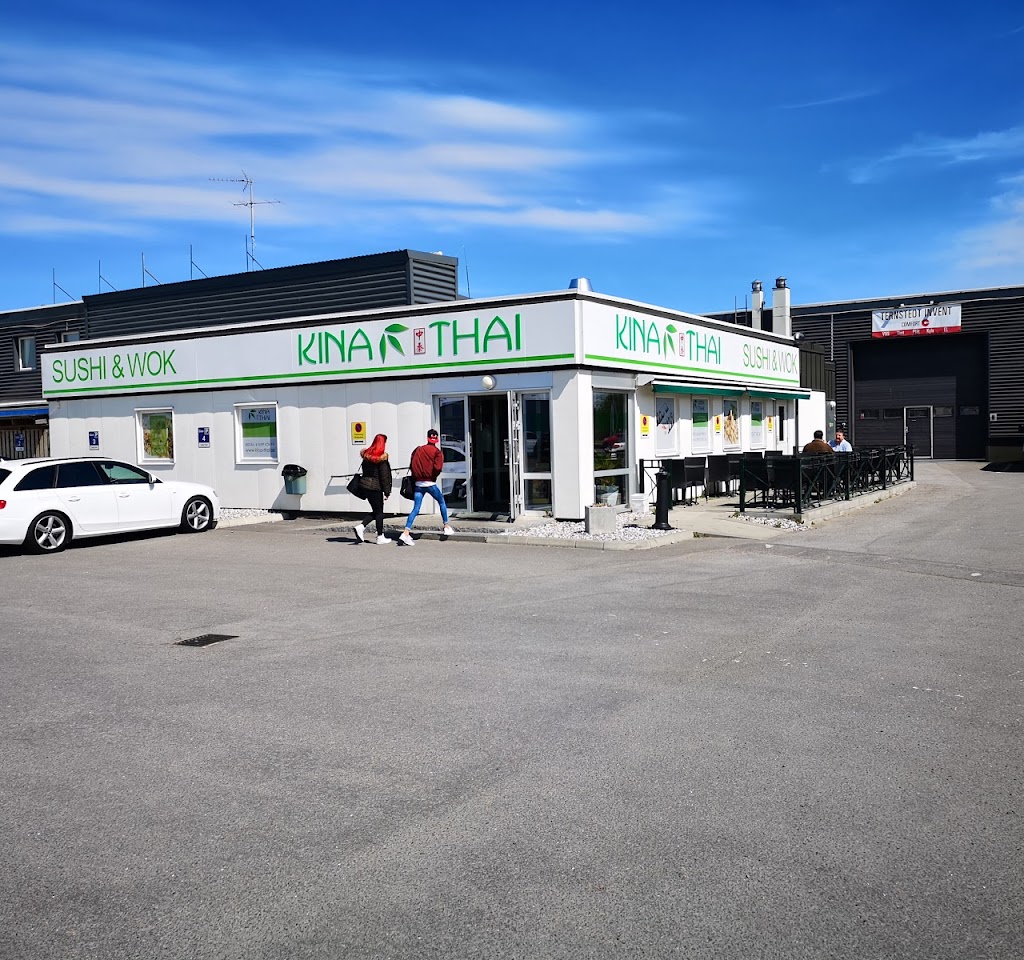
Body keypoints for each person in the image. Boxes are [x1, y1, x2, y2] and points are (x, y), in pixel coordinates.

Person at [399, 429, 454, 546]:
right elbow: (438, 468)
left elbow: (412, 464)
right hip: (430, 483)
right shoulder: (437, 452)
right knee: (441, 502)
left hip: (418, 484)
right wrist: (433, 476)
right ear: (436, 439)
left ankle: (406, 532)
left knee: (416, 508)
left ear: (427, 437)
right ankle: (446, 526)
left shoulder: (418, 450)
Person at [353, 434, 392, 544]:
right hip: (375, 487)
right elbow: (384, 477)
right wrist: (387, 491)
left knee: (376, 511)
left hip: (365, 486)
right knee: (379, 513)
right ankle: (380, 536)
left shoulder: (367, 457)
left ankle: (361, 527)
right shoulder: (382, 459)